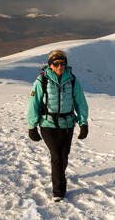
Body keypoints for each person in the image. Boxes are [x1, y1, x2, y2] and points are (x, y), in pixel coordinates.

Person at [27, 50, 89, 202]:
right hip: (48, 124)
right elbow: (34, 103)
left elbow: (80, 101)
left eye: (63, 63)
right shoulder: (42, 81)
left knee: (64, 156)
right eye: (56, 64)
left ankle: (58, 177)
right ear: (51, 65)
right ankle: (58, 191)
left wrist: (83, 122)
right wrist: (32, 126)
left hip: (67, 124)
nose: (60, 66)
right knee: (56, 157)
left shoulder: (72, 80)